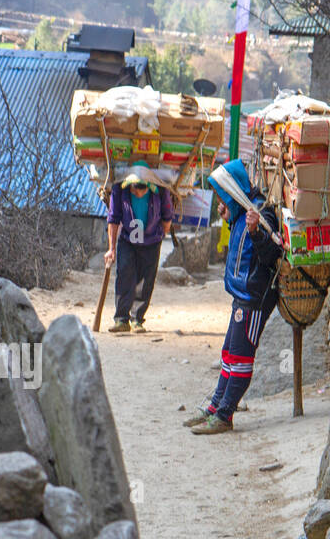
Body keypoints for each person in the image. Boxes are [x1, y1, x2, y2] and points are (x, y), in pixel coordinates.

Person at [187, 159, 283, 435]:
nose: (220, 198)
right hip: (241, 294)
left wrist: (256, 232)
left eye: (221, 192)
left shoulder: (261, 212)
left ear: (233, 188)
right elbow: (243, 246)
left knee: (241, 357)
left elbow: (271, 255)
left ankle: (225, 415)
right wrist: (231, 221)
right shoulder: (242, 209)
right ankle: (215, 408)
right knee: (229, 354)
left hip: (254, 298)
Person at [104, 162, 174, 334]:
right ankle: (121, 319)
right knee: (124, 275)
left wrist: (160, 234)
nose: (138, 193)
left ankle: (137, 320)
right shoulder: (120, 190)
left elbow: (167, 217)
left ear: (149, 187)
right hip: (128, 239)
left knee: (146, 280)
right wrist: (111, 248)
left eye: (142, 190)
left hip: (151, 241)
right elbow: (113, 220)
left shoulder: (160, 192)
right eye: (135, 190)